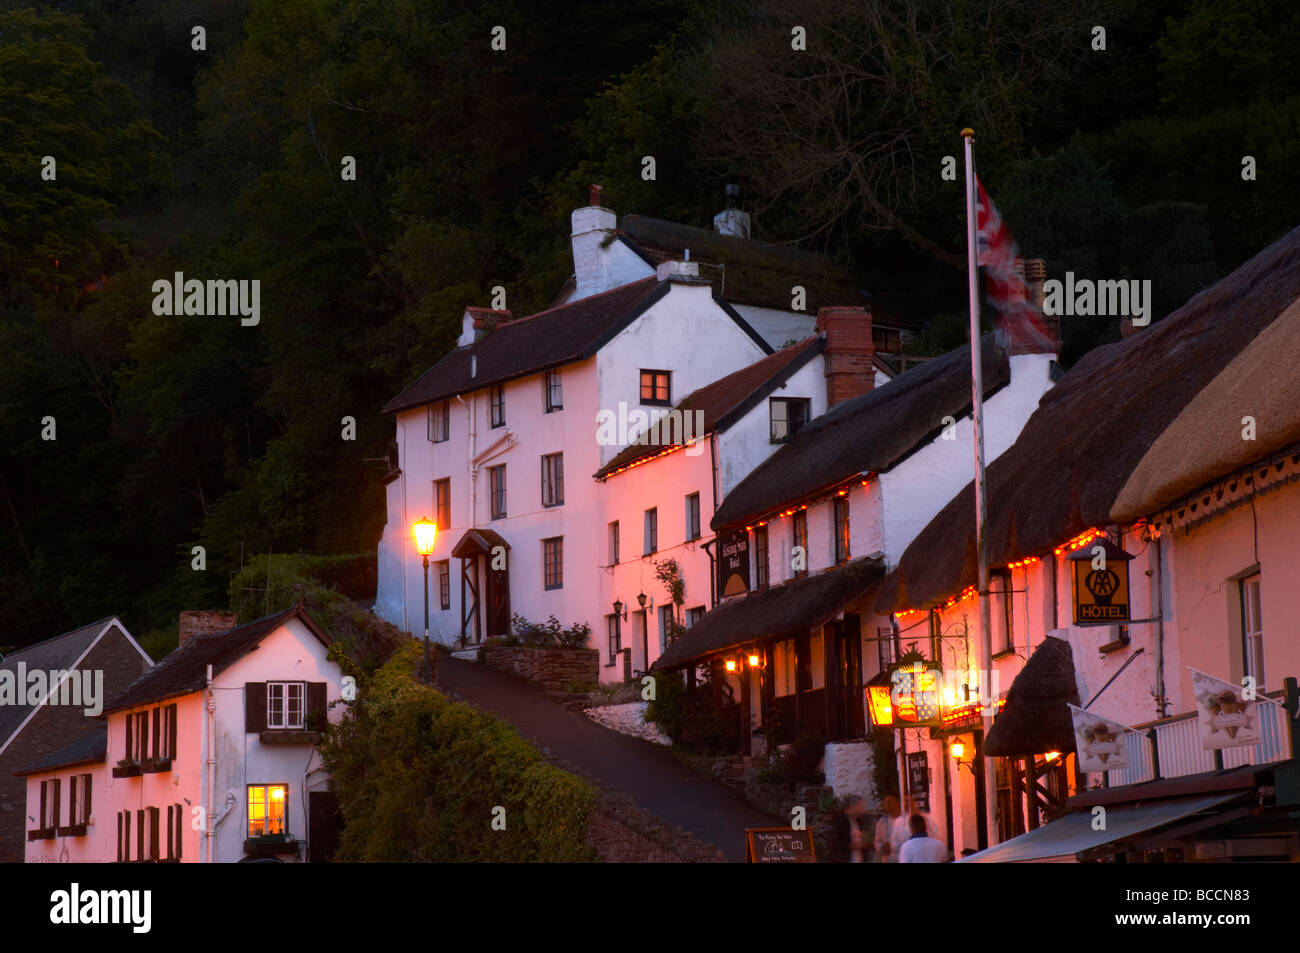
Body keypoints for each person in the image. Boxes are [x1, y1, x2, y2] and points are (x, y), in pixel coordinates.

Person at [832, 794, 869, 862]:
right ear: (852, 806)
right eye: (860, 805)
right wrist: (851, 845)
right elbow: (834, 845)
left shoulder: (859, 821)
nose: (862, 809)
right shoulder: (841, 823)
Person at [874, 794, 901, 862]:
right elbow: (877, 841)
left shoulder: (905, 820)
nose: (887, 805)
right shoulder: (882, 822)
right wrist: (882, 847)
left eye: (890, 802)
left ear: (897, 803)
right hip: (888, 859)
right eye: (885, 803)